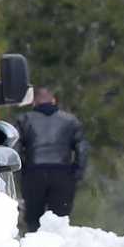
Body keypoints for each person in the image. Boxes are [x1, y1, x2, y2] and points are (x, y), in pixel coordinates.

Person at [16, 85, 87, 231]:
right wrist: (77, 171)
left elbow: (15, 146)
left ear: (34, 101)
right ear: (53, 100)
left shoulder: (24, 120)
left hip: (33, 174)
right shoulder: (70, 121)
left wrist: (21, 169)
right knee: (59, 220)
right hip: (62, 174)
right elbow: (82, 147)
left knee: (33, 220)